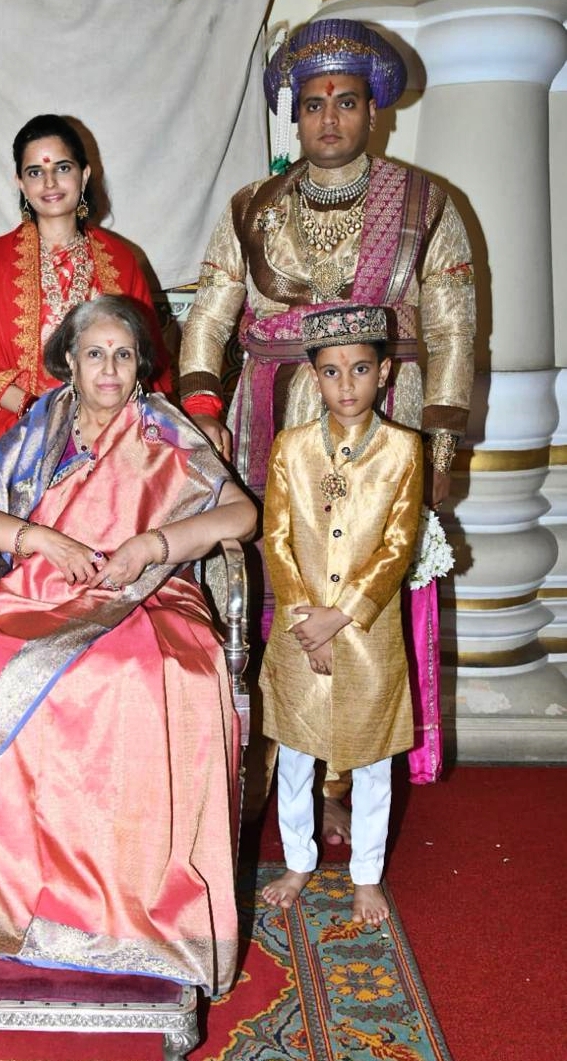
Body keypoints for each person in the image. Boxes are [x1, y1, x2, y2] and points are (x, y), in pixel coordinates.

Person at [178, 17, 475, 841]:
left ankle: (347, 774)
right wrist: (203, 412)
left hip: (386, 419)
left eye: (346, 102)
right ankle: (263, 754)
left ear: (373, 109)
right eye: (312, 105)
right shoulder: (251, 208)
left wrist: (441, 445)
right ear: (293, 114)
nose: (329, 119)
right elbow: (207, 317)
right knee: (270, 586)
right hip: (270, 420)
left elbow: (451, 327)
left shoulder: (424, 204)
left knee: (362, 592)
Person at [0, 296, 257, 995]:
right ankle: (33, 902)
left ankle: (148, 917)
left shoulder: (164, 429)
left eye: (123, 354)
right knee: (52, 675)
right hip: (45, 596)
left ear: (141, 365)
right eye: (94, 353)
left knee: (153, 674)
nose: (108, 368)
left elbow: (240, 511)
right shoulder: (41, 427)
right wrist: (37, 538)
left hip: (152, 595)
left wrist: (153, 546)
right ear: (69, 363)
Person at [259, 304, 423, 923]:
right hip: (302, 633)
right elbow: (275, 538)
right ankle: (298, 859)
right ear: (314, 378)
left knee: (372, 755)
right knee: (297, 755)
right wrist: (307, 619)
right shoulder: (291, 449)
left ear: (384, 373)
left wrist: (339, 617)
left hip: (366, 635)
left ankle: (366, 875)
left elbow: (396, 547)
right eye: (331, 372)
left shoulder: (403, 450)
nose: (346, 386)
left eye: (359, 369)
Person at [0, 113, 172, 468]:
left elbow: (149, 363)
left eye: (62, 168)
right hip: (19, 429)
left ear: (84, 175)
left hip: (109, 433)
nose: (50, 182)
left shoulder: (121, 261)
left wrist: (96, 422)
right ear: (20, 183)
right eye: (35, 172)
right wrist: (38, 413)